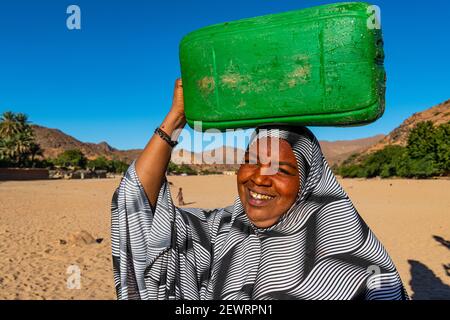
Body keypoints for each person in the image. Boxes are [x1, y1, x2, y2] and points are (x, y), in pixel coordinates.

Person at [111, 79, 409, 300]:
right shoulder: (221, 228)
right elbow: (136, 205)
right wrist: (175, 119)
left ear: (308, 183)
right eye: (250, 162)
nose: (259, 179)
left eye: (281, 169)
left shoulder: (352, 264)